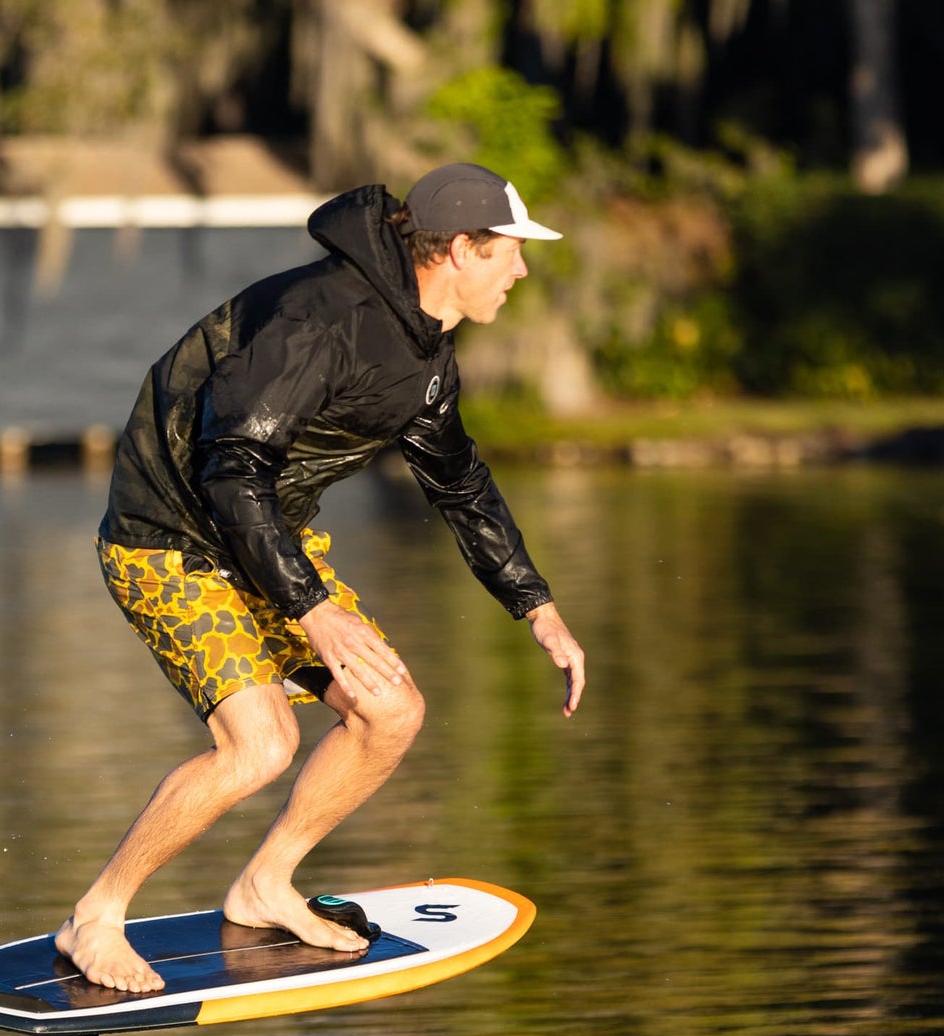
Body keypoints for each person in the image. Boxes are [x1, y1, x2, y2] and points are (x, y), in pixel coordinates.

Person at [55, 161, 586, 992]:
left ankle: (264, 883)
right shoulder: (318, 321)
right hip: (170, 536)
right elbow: (233, 469)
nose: (520, 270)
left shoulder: (425, 348)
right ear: (458, 250)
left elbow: (457, 481)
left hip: (263, 537)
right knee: (260, 744)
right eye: (509, 251)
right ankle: (95, 916)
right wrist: (311, 608)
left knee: (389, 711)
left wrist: (536, 606)